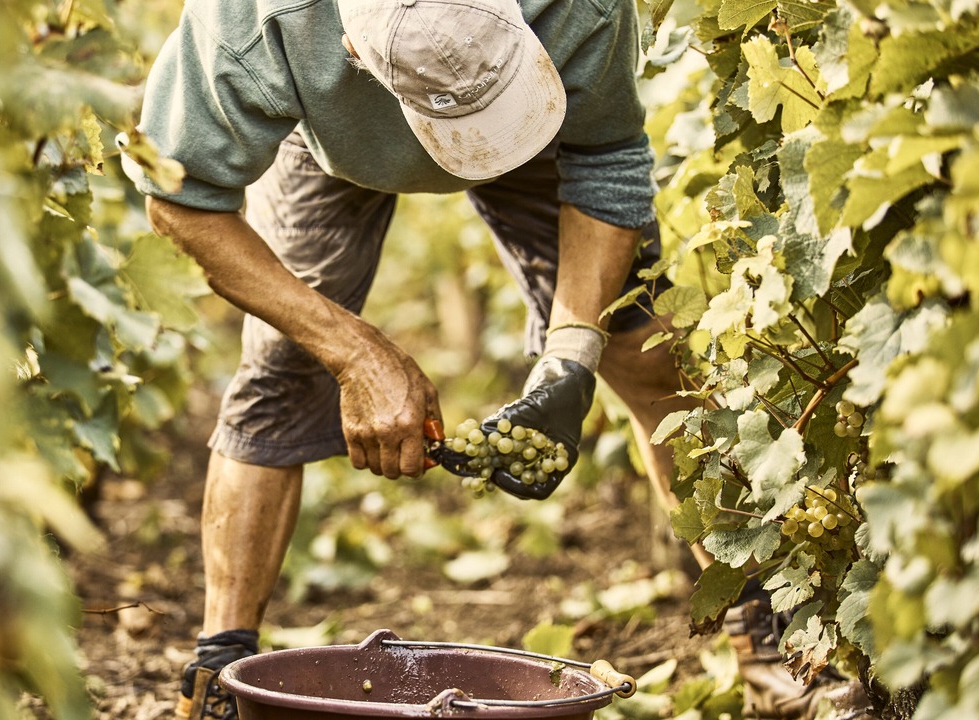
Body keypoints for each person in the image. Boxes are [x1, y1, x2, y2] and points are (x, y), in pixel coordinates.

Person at [120, 0, 872, 718]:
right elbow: (181, 198)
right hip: (321, 144)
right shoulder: (258, 26)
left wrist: (572, 355)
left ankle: (772, 650)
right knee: (284, 371)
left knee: (644, 347)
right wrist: (351, 350)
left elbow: (606, 154)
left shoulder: (579, 9)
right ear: (353, 52)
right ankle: (219, 674)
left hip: (534, 111)